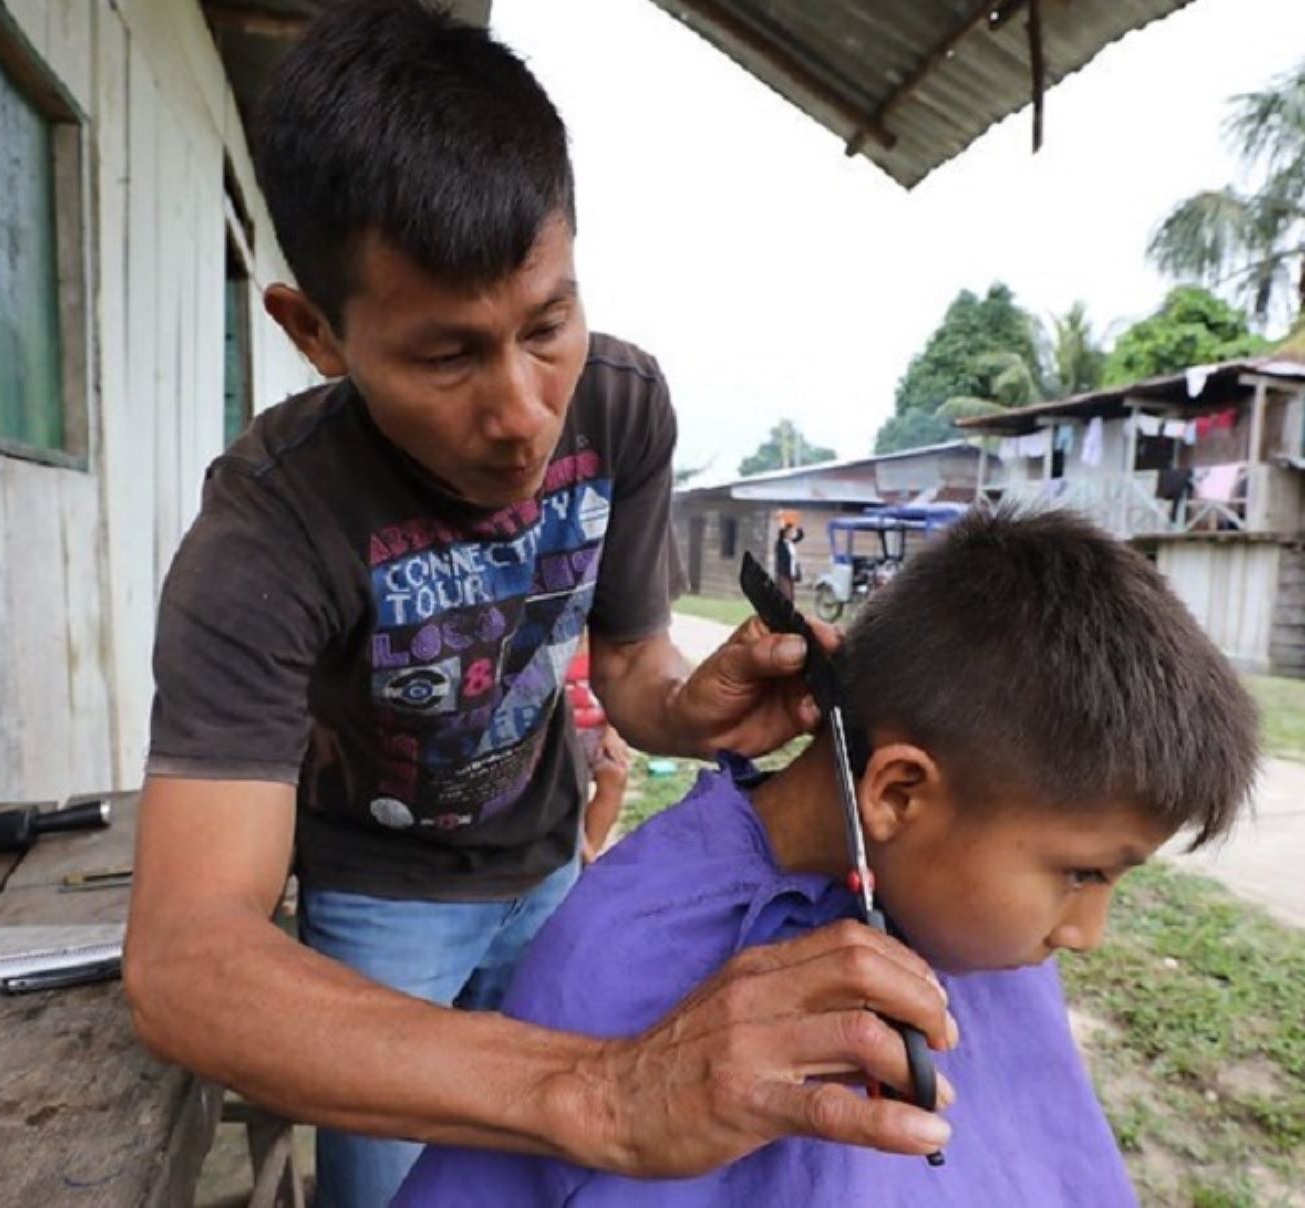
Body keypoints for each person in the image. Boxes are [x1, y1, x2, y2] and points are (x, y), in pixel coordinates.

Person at [121, 3, 954, 1206]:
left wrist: (689, 702)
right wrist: (605, 1090)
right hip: (382, 897)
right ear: (316, 332)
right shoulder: (264, 532)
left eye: (547, 324)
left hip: (556, 860)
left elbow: (627, 664)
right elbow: (188, 959)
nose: (523, 412)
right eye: (448, 355)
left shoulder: (620, 409)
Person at [396, 506, 1261, 1205]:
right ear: (896, 794)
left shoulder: (980, 935)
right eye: (1084, 874)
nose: (1088, 933)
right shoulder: (635, 941)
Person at [773, 521, 803, 601]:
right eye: (789, 532)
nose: (791, 534)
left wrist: (797, 527)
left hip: (791, 572)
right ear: (785, 533)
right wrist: (783, 526)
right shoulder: (780, 544)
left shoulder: (791, 543)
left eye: (791, 532)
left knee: (791, 595)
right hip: (783, 573)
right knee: (785, 594)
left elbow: (800, 536)